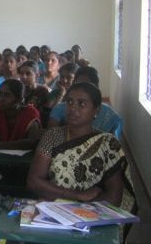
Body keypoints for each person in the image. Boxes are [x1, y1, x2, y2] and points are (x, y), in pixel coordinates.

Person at [27, 82, 135, 211]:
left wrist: (77, 210)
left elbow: (114, 198)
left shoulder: (107, 143)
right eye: (70, 102)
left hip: (91, 215)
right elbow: (34, 181)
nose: (72, 108)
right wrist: (78, 196)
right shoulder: (53, 136)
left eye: (81, 103)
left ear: (97, 110)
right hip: (53, 211)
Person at [48, 66, 123, 138]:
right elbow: (51, 134)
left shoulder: (111, 116)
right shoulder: (59, 109)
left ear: (95, 88)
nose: (73, 108)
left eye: (86, 86)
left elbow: (113, 145)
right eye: (78, 84)